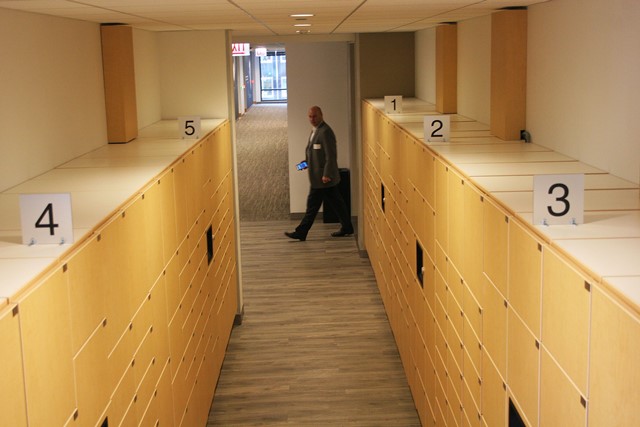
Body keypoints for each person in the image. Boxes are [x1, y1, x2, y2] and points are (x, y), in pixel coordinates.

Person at [285, 106, 354, 241]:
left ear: (321, 115)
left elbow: (331, 156)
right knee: (337, 203)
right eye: (310, 116)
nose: (312, 119)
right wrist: (304, 164)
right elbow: (315, 154)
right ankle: (347, 227)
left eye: (315, 116)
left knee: (312, 206)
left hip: (322, 180)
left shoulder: (326, 132)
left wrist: (327, 174)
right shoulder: (315, 131)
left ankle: (301, 232)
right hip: (319, 178)